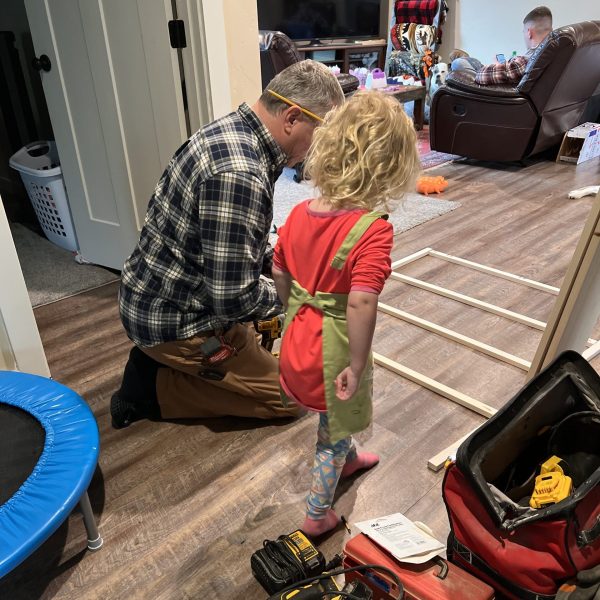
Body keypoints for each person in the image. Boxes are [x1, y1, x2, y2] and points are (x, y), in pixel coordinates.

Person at [111, 60, 345, 429]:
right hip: (176, 320)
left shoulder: (235, 133)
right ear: (293, 117)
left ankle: (170, 361)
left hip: (160, 296)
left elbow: (240, 244)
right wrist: (300, 297)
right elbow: (234, 298)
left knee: (269, 325)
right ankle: (151, 386)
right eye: (323, 134)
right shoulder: (240, 174)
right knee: (292, 400)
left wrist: (287, 266)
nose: (321, 148)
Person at [272, 91, 420, 537]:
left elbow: (278, 269)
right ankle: (318, 513)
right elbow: (360, 301)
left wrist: (289, 314)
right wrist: (356, 364)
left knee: (332, 419)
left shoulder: (298, 212)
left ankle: (350, 456)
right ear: (392, 166)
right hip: (334, 353)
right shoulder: (372, 230)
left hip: (297, 341)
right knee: (330, 432)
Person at [450, 6, 553, 85]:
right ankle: (469, 59)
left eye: (523, 32)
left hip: (487, 85)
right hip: (505, 79)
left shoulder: (531, 59)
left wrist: (498, 66)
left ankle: (467, 59)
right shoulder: (552, 54)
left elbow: (482, 76)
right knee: (472, 62)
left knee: (458, 63)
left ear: (529, 33)